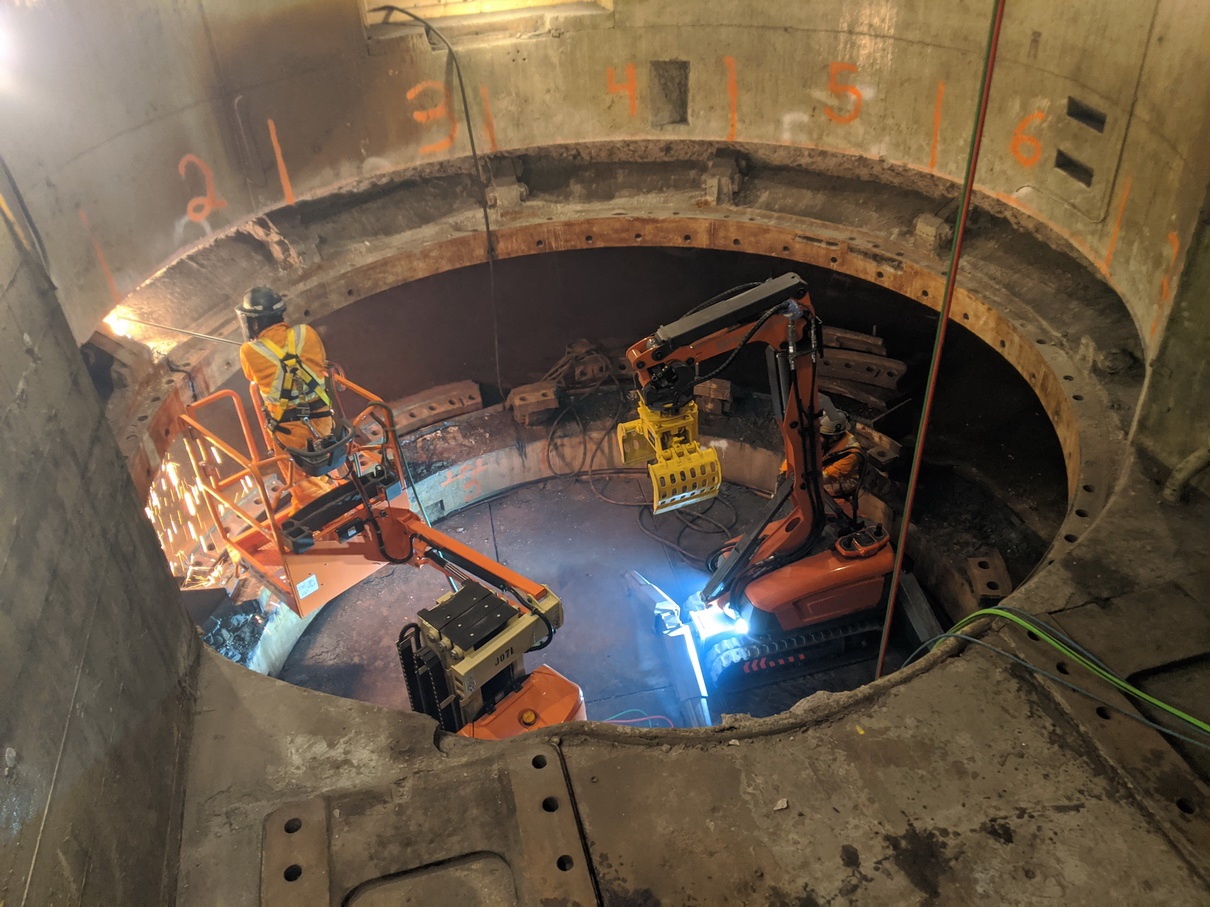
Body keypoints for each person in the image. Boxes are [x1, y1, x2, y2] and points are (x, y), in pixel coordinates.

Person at [236, 286, 336, 505]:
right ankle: (328, 486)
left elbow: (251, 375)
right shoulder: (306, 332)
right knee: (324, 458)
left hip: (290, 432)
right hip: (324, 420)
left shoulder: (248, 351)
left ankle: (326, 513)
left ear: (252, 322)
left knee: (302, 482)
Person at [819, 398, 864, 500]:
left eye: (820, 435)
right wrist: (785, 471)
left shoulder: (851, 453)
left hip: (837, 496)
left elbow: (827, 476)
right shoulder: (824, 440)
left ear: (834, 437)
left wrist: (799, 477)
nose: (816, 437)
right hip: (820, 488)